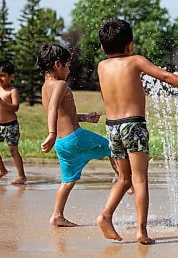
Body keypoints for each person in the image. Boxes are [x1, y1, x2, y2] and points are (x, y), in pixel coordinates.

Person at [96, 18, 178, 245]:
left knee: (124, 178)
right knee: (139, 179)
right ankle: (141, 231)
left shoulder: (101, 66)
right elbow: (165, 77)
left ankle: (105, 216)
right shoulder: (135, 61)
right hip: (134, 125)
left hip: (112, 127)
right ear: (129, 45)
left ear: (102, 47)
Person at [37, 44, 118, 227]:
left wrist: (84, 117)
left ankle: (57, 215)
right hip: (75, 138)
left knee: (68, 180)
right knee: (112, 147)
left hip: (62, 143)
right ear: (57, 64)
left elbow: (59, 112)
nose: (69, 69)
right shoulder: (61, 84)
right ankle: (124, 180)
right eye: (67, 65)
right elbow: (52, 109)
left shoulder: (45, 87)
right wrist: (51, 132)